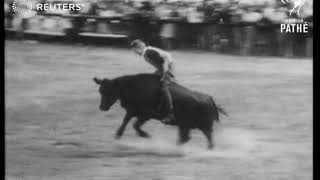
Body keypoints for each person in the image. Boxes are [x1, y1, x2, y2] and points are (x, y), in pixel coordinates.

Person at [130, 39, 175, 125]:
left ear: (138, 48)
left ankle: (170, 113)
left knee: (164, 88)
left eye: (134, 50)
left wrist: (165, 74)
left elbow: (163, 61)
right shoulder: (146, 53)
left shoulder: (148, 53)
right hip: (163, 68)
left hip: (167, 66)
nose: (135, 53)